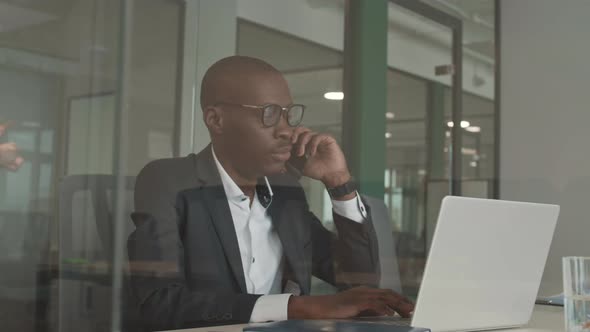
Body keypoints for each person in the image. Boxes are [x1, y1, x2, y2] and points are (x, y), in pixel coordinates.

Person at [127, 56, 414, 330]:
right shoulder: (169, 180)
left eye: (288, 115)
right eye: (270, 114)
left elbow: (357, 282)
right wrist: (297, 308)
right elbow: (158, 303)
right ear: (216, 120)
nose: (287, 131)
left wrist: (339, 183)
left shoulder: (285, 191)